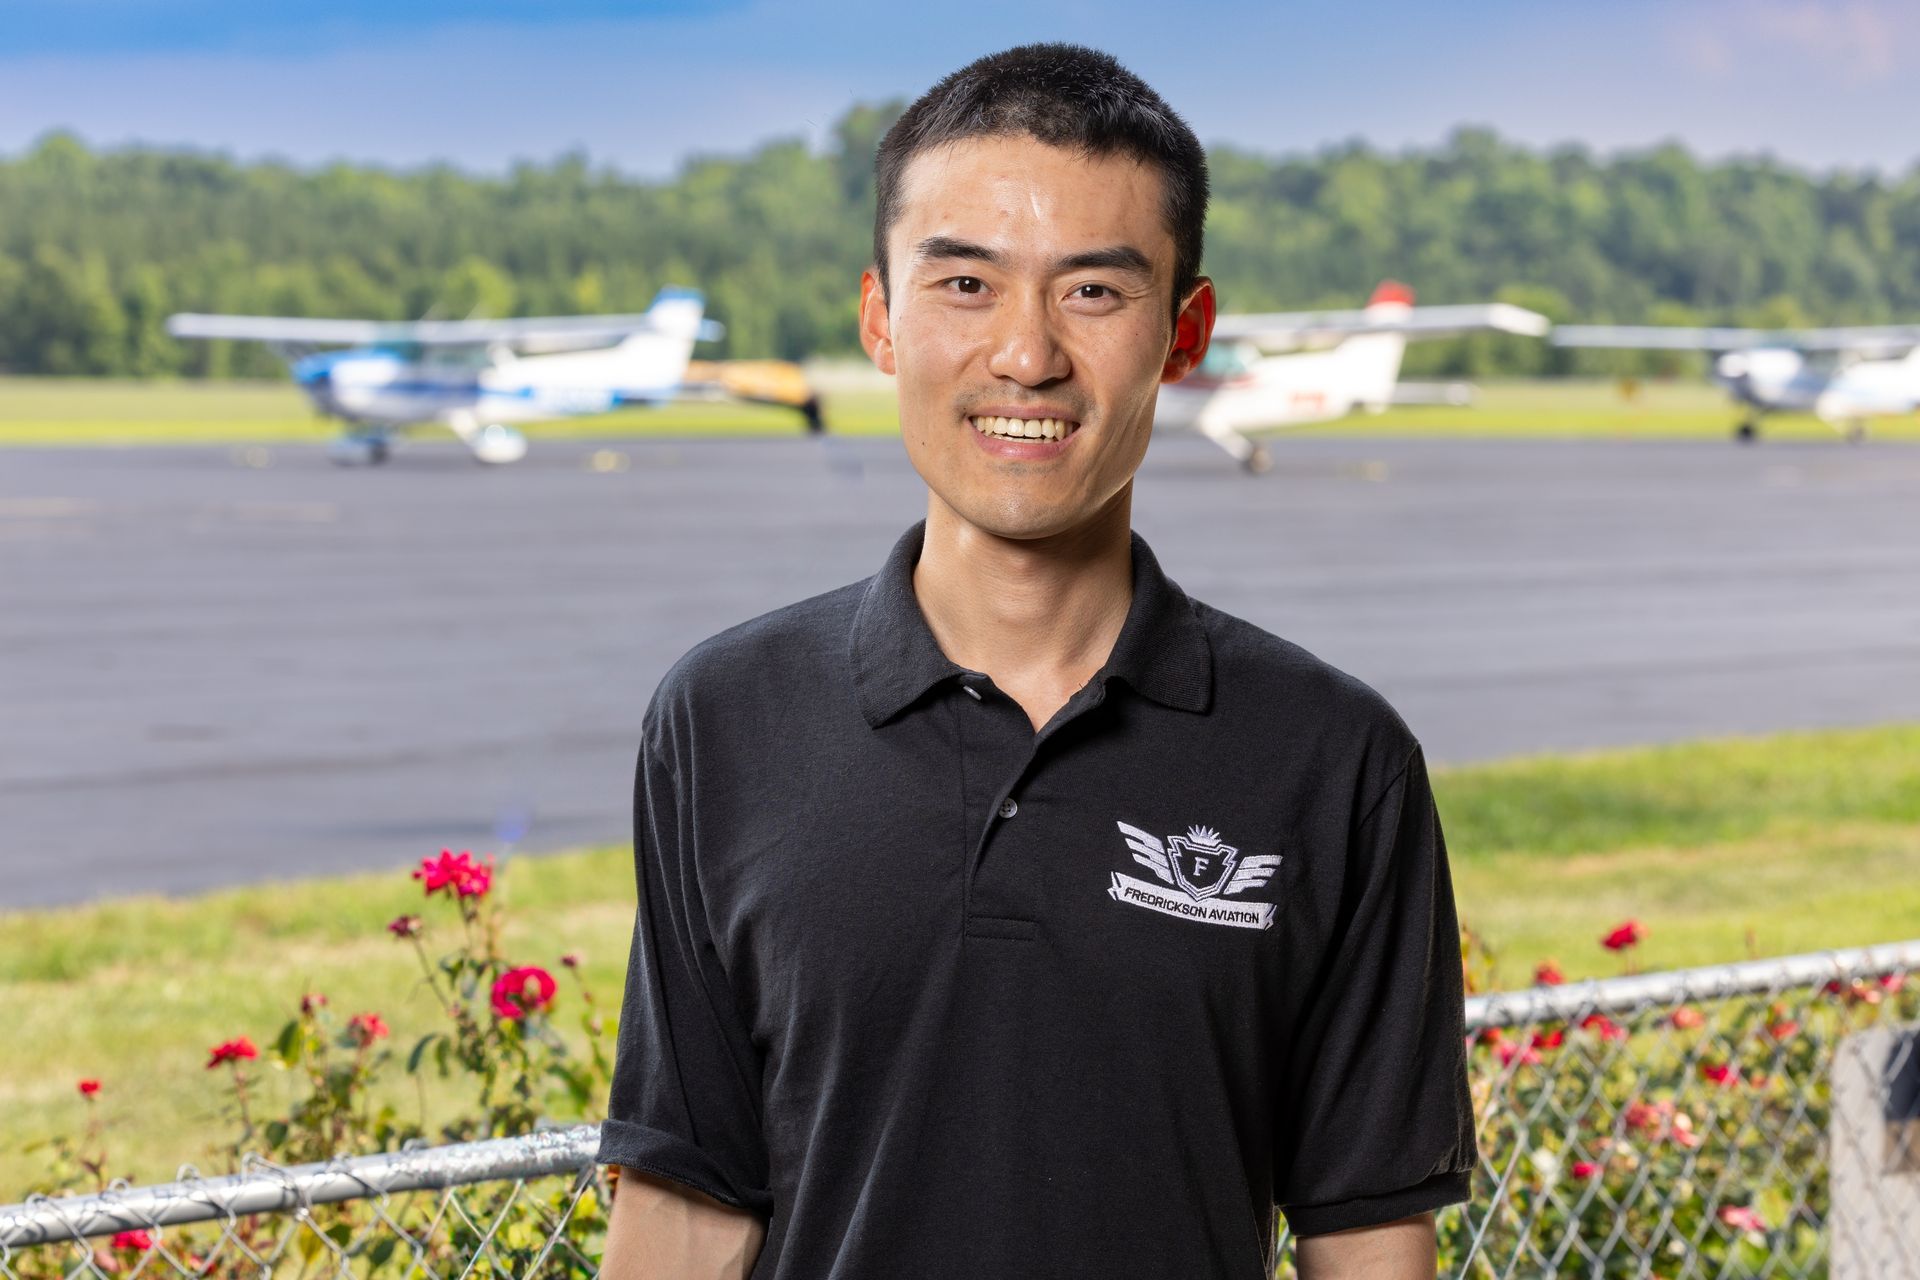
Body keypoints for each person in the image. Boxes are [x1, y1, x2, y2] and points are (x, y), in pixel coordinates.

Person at [597, 42, 1475, 1280]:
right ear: (879, 320)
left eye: (1094, 293)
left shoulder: (1336, 761)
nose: (1026, 354)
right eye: (964, 284)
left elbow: (1368, 1235)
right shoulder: (723, 717)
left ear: (1186, 331)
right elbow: (687, 1207)